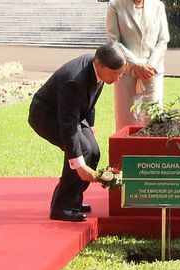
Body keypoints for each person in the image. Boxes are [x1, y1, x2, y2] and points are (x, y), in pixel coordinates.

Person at [28, 43, 126, 222]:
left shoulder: (100, 68)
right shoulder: (74, 80)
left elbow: (90, 99)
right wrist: (79, 165)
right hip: (47, 115)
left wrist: (91, 126)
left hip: (72, 113)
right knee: (82, 151)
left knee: (94, 150)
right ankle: (61, 207)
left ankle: (74, 200)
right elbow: (67, 125)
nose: (118, 77)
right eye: (115, 73)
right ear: (98, 65)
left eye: (121, 72)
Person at [106, 0, 170, 131]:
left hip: (152, 74)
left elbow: (163, 40)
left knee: (153, 121)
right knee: (126, 122)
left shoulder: (158, 6)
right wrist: (135, 63)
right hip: (127, 73)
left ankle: (153, 157)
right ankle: (125, 157)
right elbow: (113, 41)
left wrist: (150, 66)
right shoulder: (115, 6)